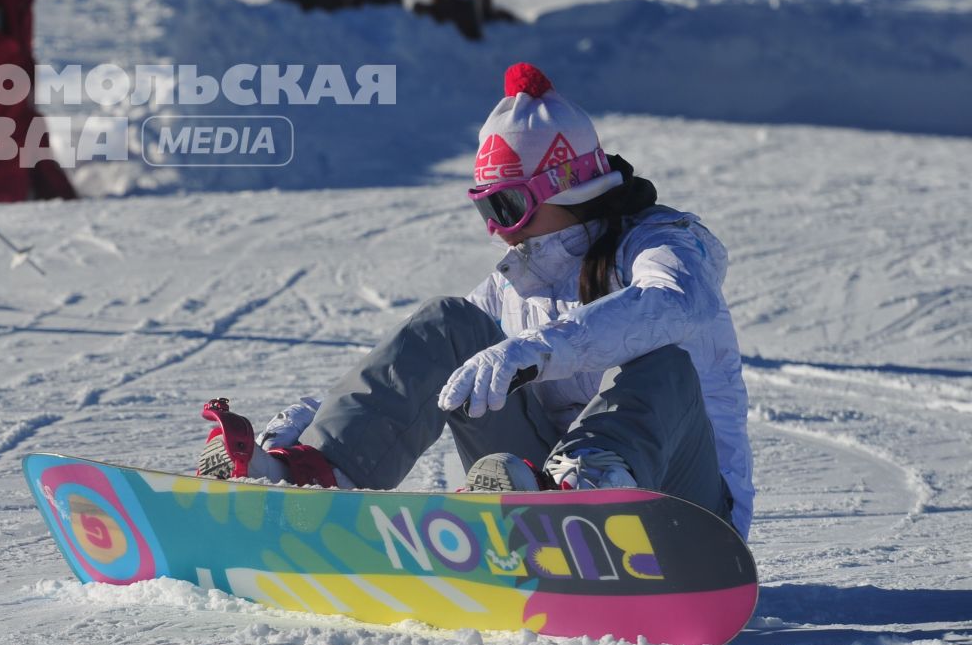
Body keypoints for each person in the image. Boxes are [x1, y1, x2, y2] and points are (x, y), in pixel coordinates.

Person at [199, 62, 754, 538]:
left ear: (566, 184)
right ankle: (316, 478)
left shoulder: (664, 243)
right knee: (448, 324)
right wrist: (323, 421)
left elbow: (675, 301)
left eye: (507, 206)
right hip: (544, 494)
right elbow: (410, 376)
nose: (497, 230)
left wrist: (538, 349)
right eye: (486, 210)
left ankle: (579, 496)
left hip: (686, 509)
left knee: (662, 362)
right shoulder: (514, 284)